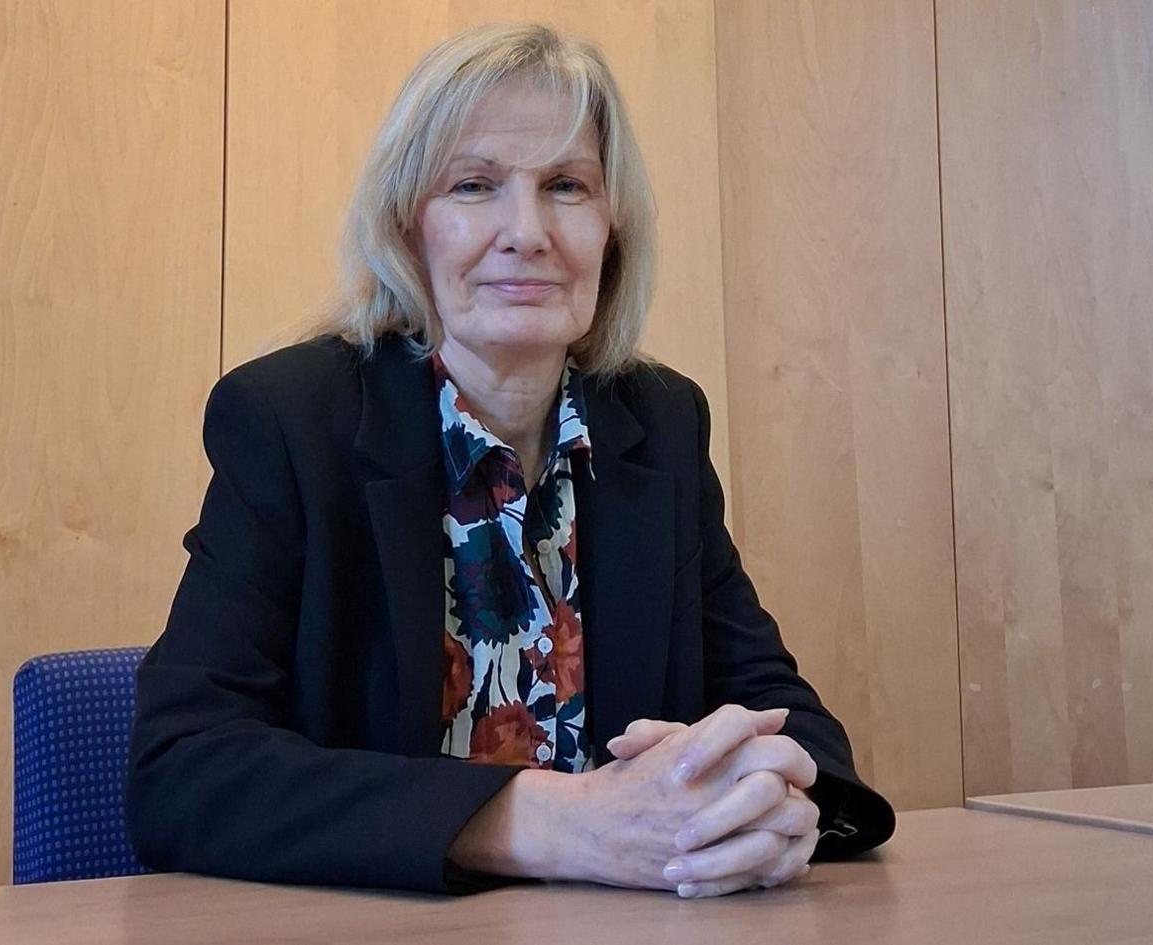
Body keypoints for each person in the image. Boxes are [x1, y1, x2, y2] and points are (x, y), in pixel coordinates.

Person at [125, 22, 894, 899]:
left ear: (613, 230)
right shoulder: (293, 422)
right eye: (475, 186)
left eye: (566, 186)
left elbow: (787, 719)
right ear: (411, 226)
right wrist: (549, 820)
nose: (526, 232)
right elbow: (181, 771)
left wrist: (774, 800)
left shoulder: (659, 424)